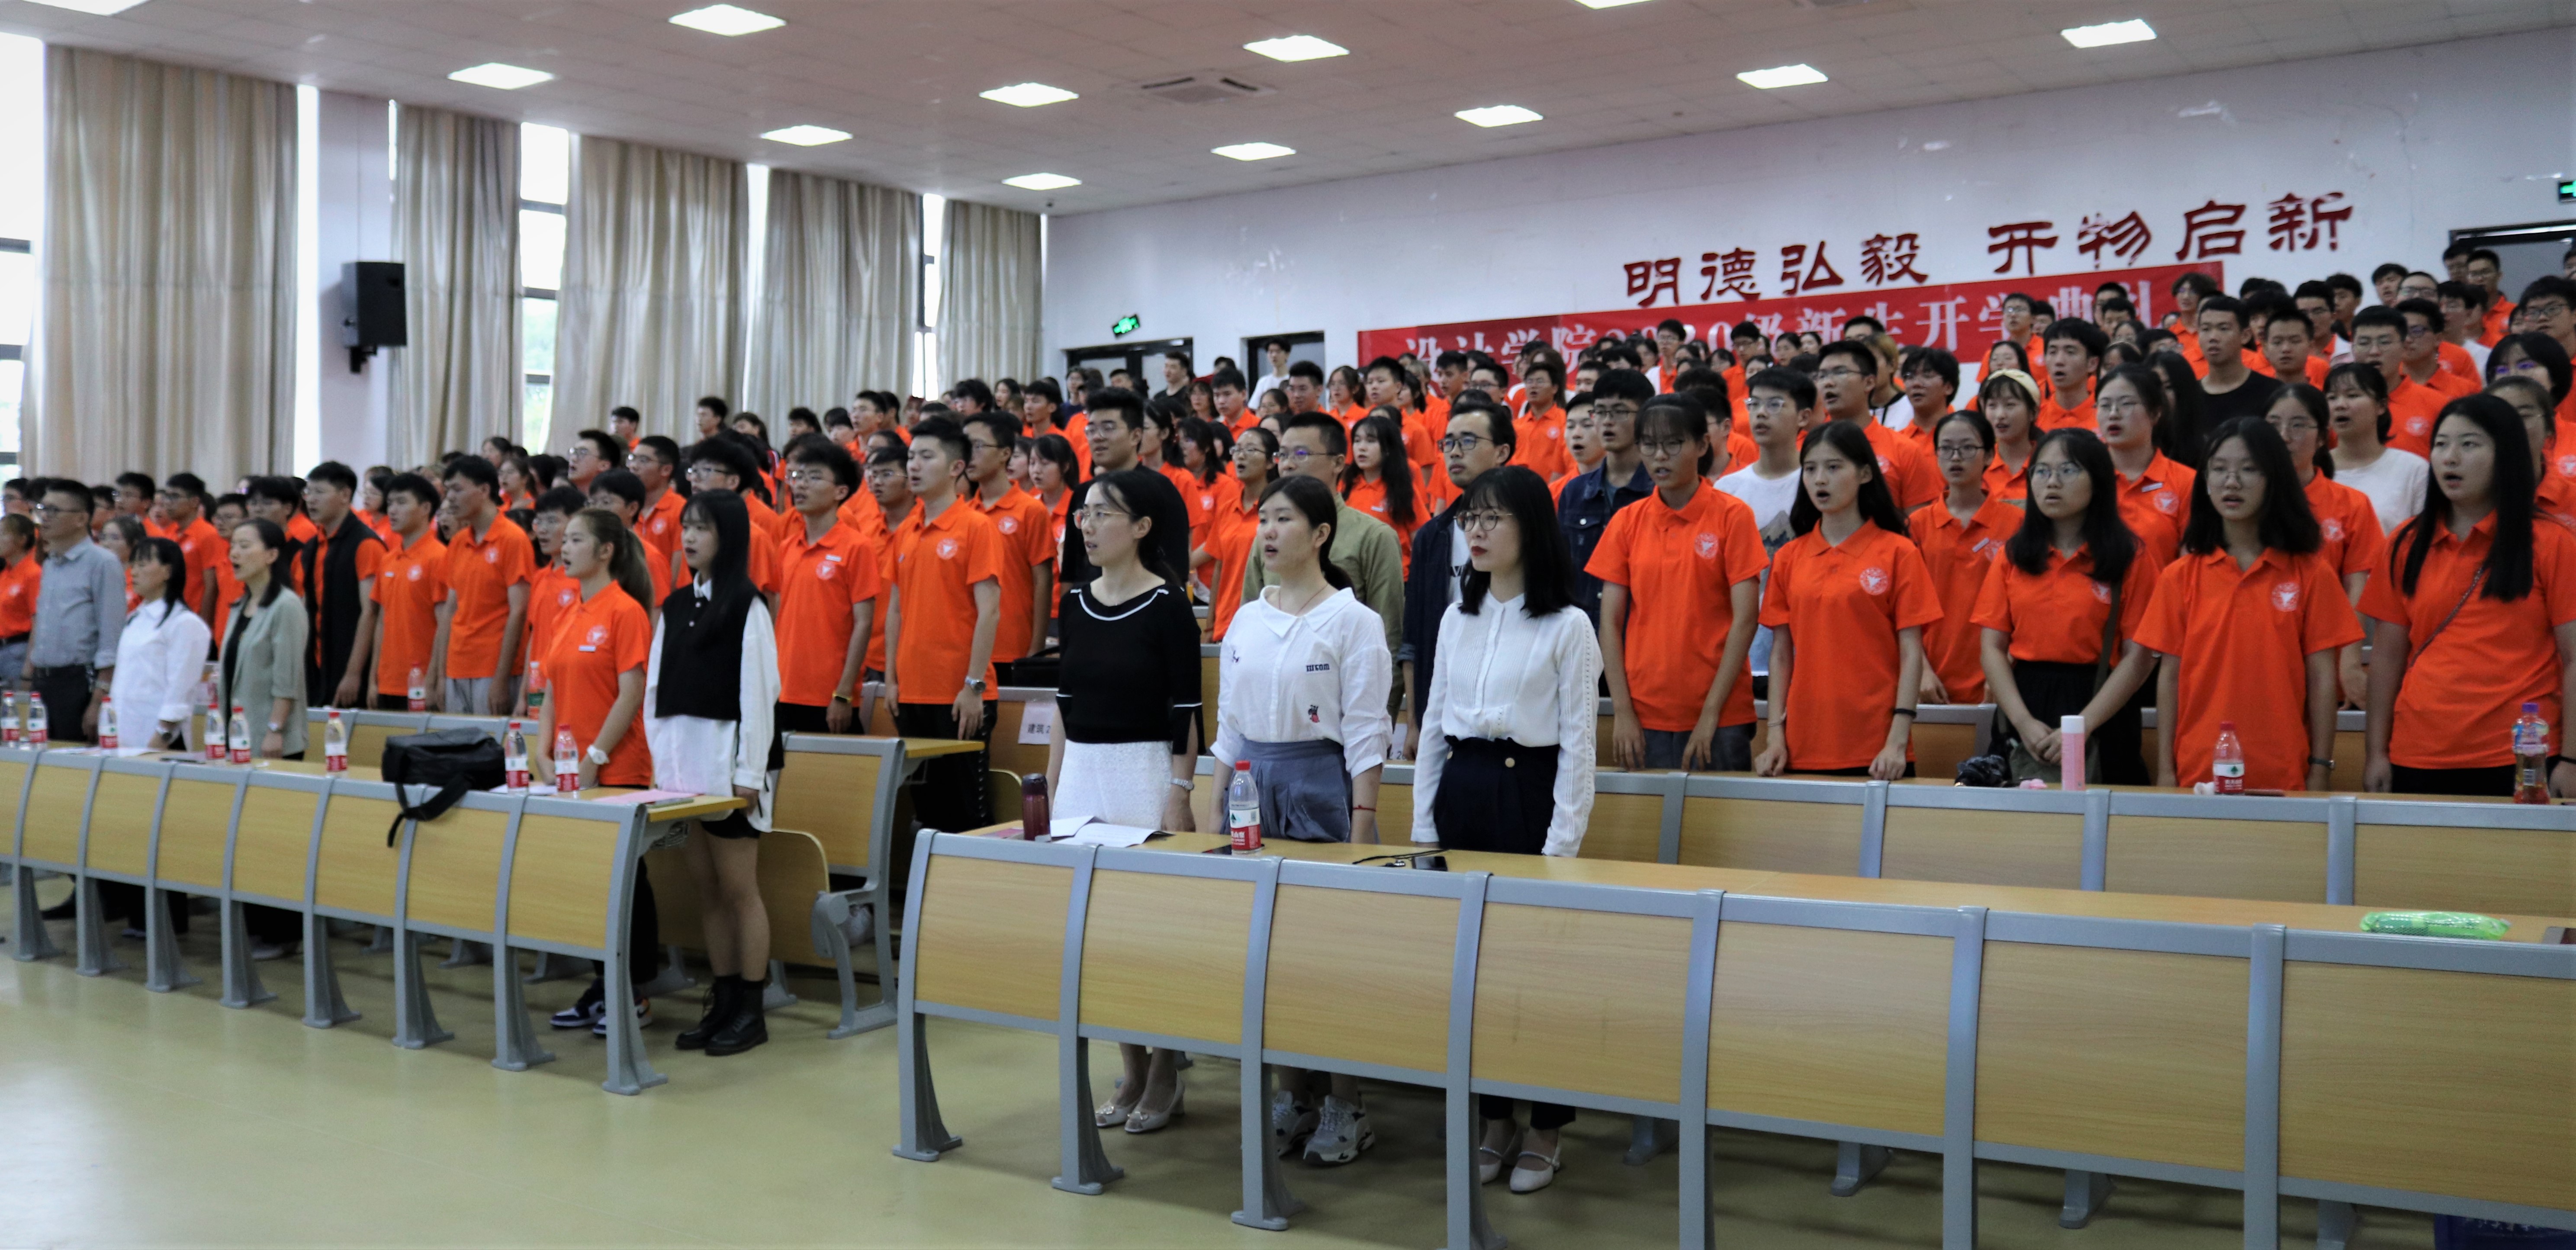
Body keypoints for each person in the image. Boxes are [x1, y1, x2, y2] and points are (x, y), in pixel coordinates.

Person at [1409, 465, 1600, 1194]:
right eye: (1470, 519)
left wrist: (1559, 851)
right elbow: (1433, 726)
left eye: (1493, 518)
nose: (1477, 532)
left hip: (1529, 794)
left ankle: (1546, 1127)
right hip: (1462, 791)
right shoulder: (1456, 617)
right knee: (1472, 975)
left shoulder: (1567, 624)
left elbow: (1579, 747)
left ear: (1531, 527)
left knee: (1535, 974)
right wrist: (1423, 827)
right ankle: (1494, 1120)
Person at [1214, 474, 1393, 1168]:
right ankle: (1293, 1094)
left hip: (1322, 788)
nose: (1267, 531)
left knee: (1330, 955)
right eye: (1263, 518)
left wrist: (1362, 825)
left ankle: (1347, 1101)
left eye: (1283, 519)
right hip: (1252, 789)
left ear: (1320, 535)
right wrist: (1215, 811)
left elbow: (1368, 731)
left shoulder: (1354, 621)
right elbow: (1230, 725)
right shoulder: (1246, 618)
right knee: (1269, 955)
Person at [1053, 469, 1202, 1135]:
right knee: (1097, 937)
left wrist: (1179, 792)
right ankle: (1131, 1067)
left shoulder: (1168, 604)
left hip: (1144, 775)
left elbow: (1187, 710)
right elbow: (1064, 707)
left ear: (1141, 527)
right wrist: (1051, 794)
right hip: (1083, 779)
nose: (1086, 525)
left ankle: (1165, 1065)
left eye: (1102, 513)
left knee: (1153, 933)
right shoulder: (1074, 603)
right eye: (1082, 513)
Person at [2361, 395, 2576, 797]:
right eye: (2441, 444)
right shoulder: (2405, 543)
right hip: (2418, 751)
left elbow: (2574, 657)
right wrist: (2376, 752)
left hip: (2520, 754)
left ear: (2505, 455)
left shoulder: (2552, 542)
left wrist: (2572, 758)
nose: (2450, 457)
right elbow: (2387, 658)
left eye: (2469, 444)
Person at [2136, 418, 2362, 791]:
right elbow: (2170, 678)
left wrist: (2321, 766)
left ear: (2274, 479)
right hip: (2197, 772)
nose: (2231, 482)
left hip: (2284, 772)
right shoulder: (2178, 576)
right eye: (2219, 469)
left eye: (2248, 469)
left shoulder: (2311, 573)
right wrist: (2165, 769)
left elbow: (2322, 678)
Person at [647, 488, 781, 1057]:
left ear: (729, 538)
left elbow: (760, 695)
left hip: (730, 774)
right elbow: (656, 691)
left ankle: (751, 1008)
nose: (690, 537)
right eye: (686, 527)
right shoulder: (675, 604)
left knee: (739, 890)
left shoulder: (748, 604)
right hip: (683, 775)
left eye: (702, 528)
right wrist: (661, 770)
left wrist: (749, 772)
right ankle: (722, 1001)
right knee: (705, 889)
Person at [530, 506, 662, 1034]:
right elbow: (551, 690)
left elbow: (631, 693)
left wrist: (594, 761)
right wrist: (543, 753)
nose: (564, 548)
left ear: (606, 551)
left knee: (626, 883)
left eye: (576, 540)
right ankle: (602, 984)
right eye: (564, 540)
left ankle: (634, 992)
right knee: (587, 882)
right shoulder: (568, 612)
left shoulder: (625, 611)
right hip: (569, 772)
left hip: (617, 768)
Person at [1753, 422, 1943, 779]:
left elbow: (1911, 652)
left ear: (1865, 474)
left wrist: (1896, 741)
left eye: (1833, 467)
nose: (1820, 479)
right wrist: (1775, 736)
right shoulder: (1789, 557)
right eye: (1810, 469)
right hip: (1801, 744)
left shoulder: (1898, 552)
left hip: (1878, 748)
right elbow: (1780, 655)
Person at [1973, 429, 2160, 784]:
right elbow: (1992, 648)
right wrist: (2023, 722)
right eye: (2041, 471)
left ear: (2098, 480)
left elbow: (2139, 657)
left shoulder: (2129, 557)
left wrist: (2082, 726)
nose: (2051, 482)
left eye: (2067, 470)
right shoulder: (2013, 555)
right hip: (2024, 699)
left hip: (2101, 702)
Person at [1593, 393, 1766, 771]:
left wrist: (1710, 714)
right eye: (1649, 445)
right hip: (1644, 713)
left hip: (1721, 715)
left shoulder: (1733, 516)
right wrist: (1622, 711)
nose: (1660, 456)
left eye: (1673, 443)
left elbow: (1745, 620)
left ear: (1702, 445)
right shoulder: (1627, 521)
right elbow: (1609, 623)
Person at [884, 418, 1006, 832]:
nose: (913, 466)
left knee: (968, 815)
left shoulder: (976, 526)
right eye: (910, 457)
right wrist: (892, 680)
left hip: (960, 694)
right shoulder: (906, 530)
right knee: (927, 814)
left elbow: (989, 611)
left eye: (926, 456)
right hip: (911, 693)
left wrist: (973, 686)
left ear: (956, 467)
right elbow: (895, 611)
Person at [1399, 398, 1516, 757]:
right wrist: (1415, 721)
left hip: (1510, 699)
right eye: (1448, 442)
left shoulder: (1525, 528)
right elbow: (1415, 636)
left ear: (1502, 452)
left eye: (1467, 441)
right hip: (1445, 700)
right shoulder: (1432, 536)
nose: (1454, 451)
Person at [219, 517, 312, 958]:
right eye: (232, 546)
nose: (234, 553)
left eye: (245, 545)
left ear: (272, 555)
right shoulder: (239, 607)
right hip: (239, 741)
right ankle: (257, 925)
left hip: (274, 741)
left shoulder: (286, 606)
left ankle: (283, 932)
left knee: (276, 840)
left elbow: (288, 676)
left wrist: (275, 729)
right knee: (246, 839)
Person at [1247, 412, 1406, 664]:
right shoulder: (1268, 535)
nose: (1287, 465)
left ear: (1338, 463)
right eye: (1283, 455)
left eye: (1301, 454)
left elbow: (1388, 634)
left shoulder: (1374, 536)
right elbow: (1251, 618)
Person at [2266, 385, 2386, 705]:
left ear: (2321, 437)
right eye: (2273, 424)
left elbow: (2357, 586)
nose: (2284, 436)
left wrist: (2349, 661)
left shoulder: (2352, 504)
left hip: (2326, 655)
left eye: (2298, 425)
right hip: (2262, 653)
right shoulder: (2245, 503)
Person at [767, 434, 883, 738]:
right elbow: (777, 617)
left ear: (840, 491)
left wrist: (844, 692)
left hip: (829, 694)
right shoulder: (787, 547)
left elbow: (863, 623)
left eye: (814, 478)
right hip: (784, 687)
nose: (800, 486)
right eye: (797, 477)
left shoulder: (857, 547)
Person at [1912, 411, 2021, 705]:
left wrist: (2005, 668)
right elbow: (1905, 609)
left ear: (1989, 455)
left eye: (1967, 448)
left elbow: (2028, 606)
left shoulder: (2017, 523)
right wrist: (1921, 671)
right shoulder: (1917, 525)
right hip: (1931, 681)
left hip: (1999, 680)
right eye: (1946, 449)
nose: (1956, 457)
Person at [430, 457, 534, 715]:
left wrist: (501, 679)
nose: (450, 498)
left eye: (458, 489)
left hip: (493, 666)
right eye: (448, 490)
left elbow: (519, 611)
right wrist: (442, 676)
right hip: (457, 665)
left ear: (485, 490)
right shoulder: (458, 542)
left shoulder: (513, 539)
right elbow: (450, 611)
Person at [26, 479, 124, 741]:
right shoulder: (51, 563)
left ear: (81, 519)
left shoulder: (102, 563)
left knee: (72, 758)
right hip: (44, 681)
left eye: (54, 510)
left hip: (80, 682)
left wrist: (99, 699)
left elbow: (112, 636)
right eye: (42, 509)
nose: (45, 517)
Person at [1556, 370, 1654, 624]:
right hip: (1582, 630)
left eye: (1620, 412)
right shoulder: (1575, 492)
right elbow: (1560, 569)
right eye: (1600, 412)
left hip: (1639, 629)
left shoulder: (1658, 491)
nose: (1608, 421)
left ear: (1646, 416)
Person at [962, 412, 1055, 664]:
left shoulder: (1030, 510)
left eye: (978, 446)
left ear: (1005, 454)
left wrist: (1036, 647)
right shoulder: (964, 513)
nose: (969, 455)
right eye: (965, 447)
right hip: (968, 648)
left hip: (1014, 646)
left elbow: (1043, 581)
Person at [299, 462, 386, 709]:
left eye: (319, 492)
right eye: (308, 492)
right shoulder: (313, 547)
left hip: (350, 664)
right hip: (316, 663)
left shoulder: (366, 544)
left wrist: (353, 673)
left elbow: (371, 613)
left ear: (345, 495)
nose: (311, 500)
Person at [1813, 341, 1939, 511]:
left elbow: (1917, 522)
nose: (1828, 383)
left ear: (1869, 382)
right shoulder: (1810, 448)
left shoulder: (1904, 450)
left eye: (1841, 372)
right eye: (1822, 376)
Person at [2096, 363, 2197, 571]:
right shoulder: (2086, 477)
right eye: (2105, 405)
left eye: (2126, 404)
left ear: (2155, 413)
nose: (2113, 414)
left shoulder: (2187, 482)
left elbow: (2192, 566)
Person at [368, 473, 448, 711]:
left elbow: (444, 625)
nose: (392, 510)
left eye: (402, 502)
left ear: (425, 508)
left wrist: (433, 681)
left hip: (420, 682)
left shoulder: (439, 557)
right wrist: (373, 680)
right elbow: (381, 622)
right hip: (387, 682)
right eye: (390, 503)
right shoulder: (388, 559)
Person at [2324, 363, 2429, 534]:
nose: (2340, 405)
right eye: (2332, 398)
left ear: (2381, 406)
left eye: (2353, 395)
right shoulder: (2312, 469)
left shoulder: (2414, 470)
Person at [1202, 427, 1277, 640]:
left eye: (1251, 450)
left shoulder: (1279, 510)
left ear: (1271, 462)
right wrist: (1210, 626)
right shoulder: (1227, 509)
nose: (1241, 456)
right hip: (1227, 625)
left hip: (1264, 625)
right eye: (1237, 450)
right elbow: (1219, 568)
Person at [1340, 411, 1421, 572]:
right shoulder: (1346, 485)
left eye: (1371, 441)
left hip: (1395, 574)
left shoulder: (1402, 488)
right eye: (1357, 441)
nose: (1362, 447)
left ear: (1388, 448)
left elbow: (1419, 537)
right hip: (1353, 574)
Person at [2193, 296, 2283, 426]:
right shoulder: (2188, 397)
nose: (2213, 337)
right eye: (2206, 329)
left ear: (2245, 336)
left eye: (2224, 329)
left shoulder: (2273, 392)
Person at [2037, 319, 2106, 430]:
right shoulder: (2034, 419)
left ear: (2092, 364)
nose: (2059, 361)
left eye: (2070, 352)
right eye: (2053, 352)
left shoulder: (2107, 417)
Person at [0, 514, 40, 693]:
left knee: (18, 705)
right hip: (4, 650)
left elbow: (38, 623)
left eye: (3, 534)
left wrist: (28, 669)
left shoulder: (33, 573)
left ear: (22, 539)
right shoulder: (6, 573)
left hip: (19, 651)